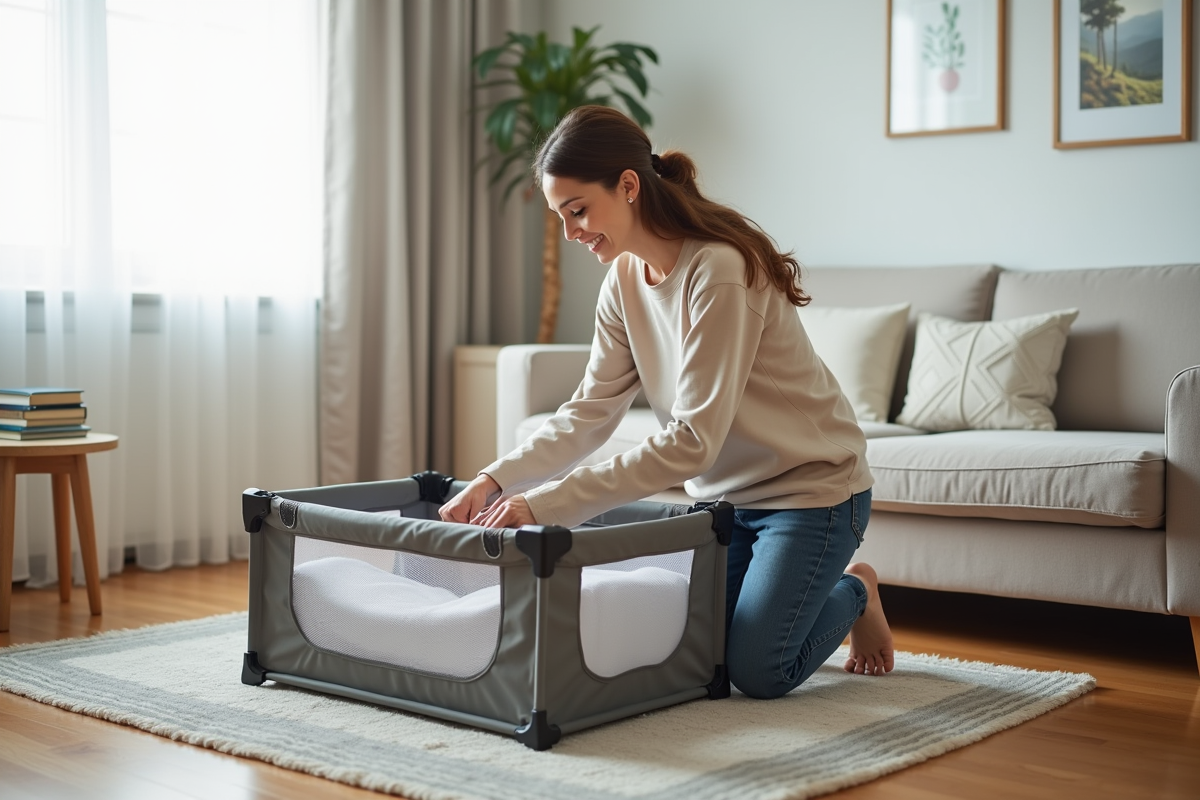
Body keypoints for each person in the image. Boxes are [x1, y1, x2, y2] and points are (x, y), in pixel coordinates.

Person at [440, 105, 893, 695]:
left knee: (758, 670)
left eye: (578, 211)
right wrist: (495, 480)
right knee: (695, 652)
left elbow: (691, 443)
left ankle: (855, 591)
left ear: (628, 186)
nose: (571, 232)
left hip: (812, 494)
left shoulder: (719, 271)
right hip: (726, 506)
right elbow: (587, 413)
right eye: (561, 217)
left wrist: (546, 503)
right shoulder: (623, 281)